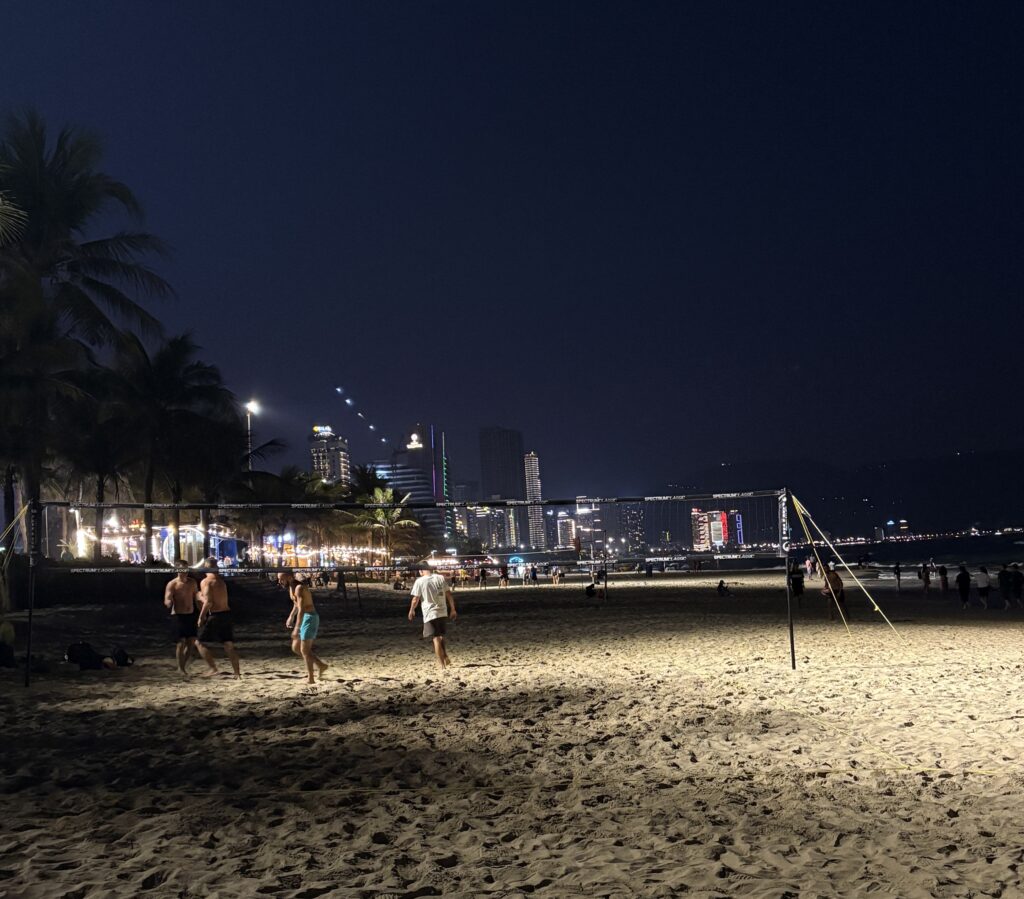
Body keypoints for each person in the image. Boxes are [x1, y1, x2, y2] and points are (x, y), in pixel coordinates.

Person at [279, 571, 329, 684]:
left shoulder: (299, 588)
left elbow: (301, 609)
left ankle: (311, 678)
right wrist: (291, 616)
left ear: (289, 577)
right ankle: (321, 665)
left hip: (310, 617)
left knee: (304, 650)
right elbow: (296, 604)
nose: (280, 582)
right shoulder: (291, 588)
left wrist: (297, 627)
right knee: (296, 648)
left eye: (282, 579)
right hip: (305, 617)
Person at [196, 557, 241, 678]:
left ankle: (213, 668)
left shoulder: (206, 581)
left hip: (216, 615)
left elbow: (209, 602)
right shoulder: (220, 581)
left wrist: (201, 616)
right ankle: (237, 673)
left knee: (199, 643)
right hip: (226, 614)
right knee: (228, 645)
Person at [408, 563, 457, 672]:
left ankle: (441, 665)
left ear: (421, 571)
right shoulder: (440, 577)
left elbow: (415, 599)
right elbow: (449, 594)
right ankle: (445, 656)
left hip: (430, 612)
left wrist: (411, 610)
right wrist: (453, 609)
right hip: (442, 611)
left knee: (436, 638)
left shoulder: (420, 581)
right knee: (440, 636)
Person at [164, 562, 200, 675]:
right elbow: (167, 598)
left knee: (191, 643)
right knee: (181, 643)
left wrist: (202, 610)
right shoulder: (172, 584)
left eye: (186, 569)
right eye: (182, 569)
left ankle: (182, 666)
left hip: (191, 615)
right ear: (177, 570)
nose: (185, 571)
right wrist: (168, 602)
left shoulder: (192, 582)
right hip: (178, 615)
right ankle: (181, 668)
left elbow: (196, 597)